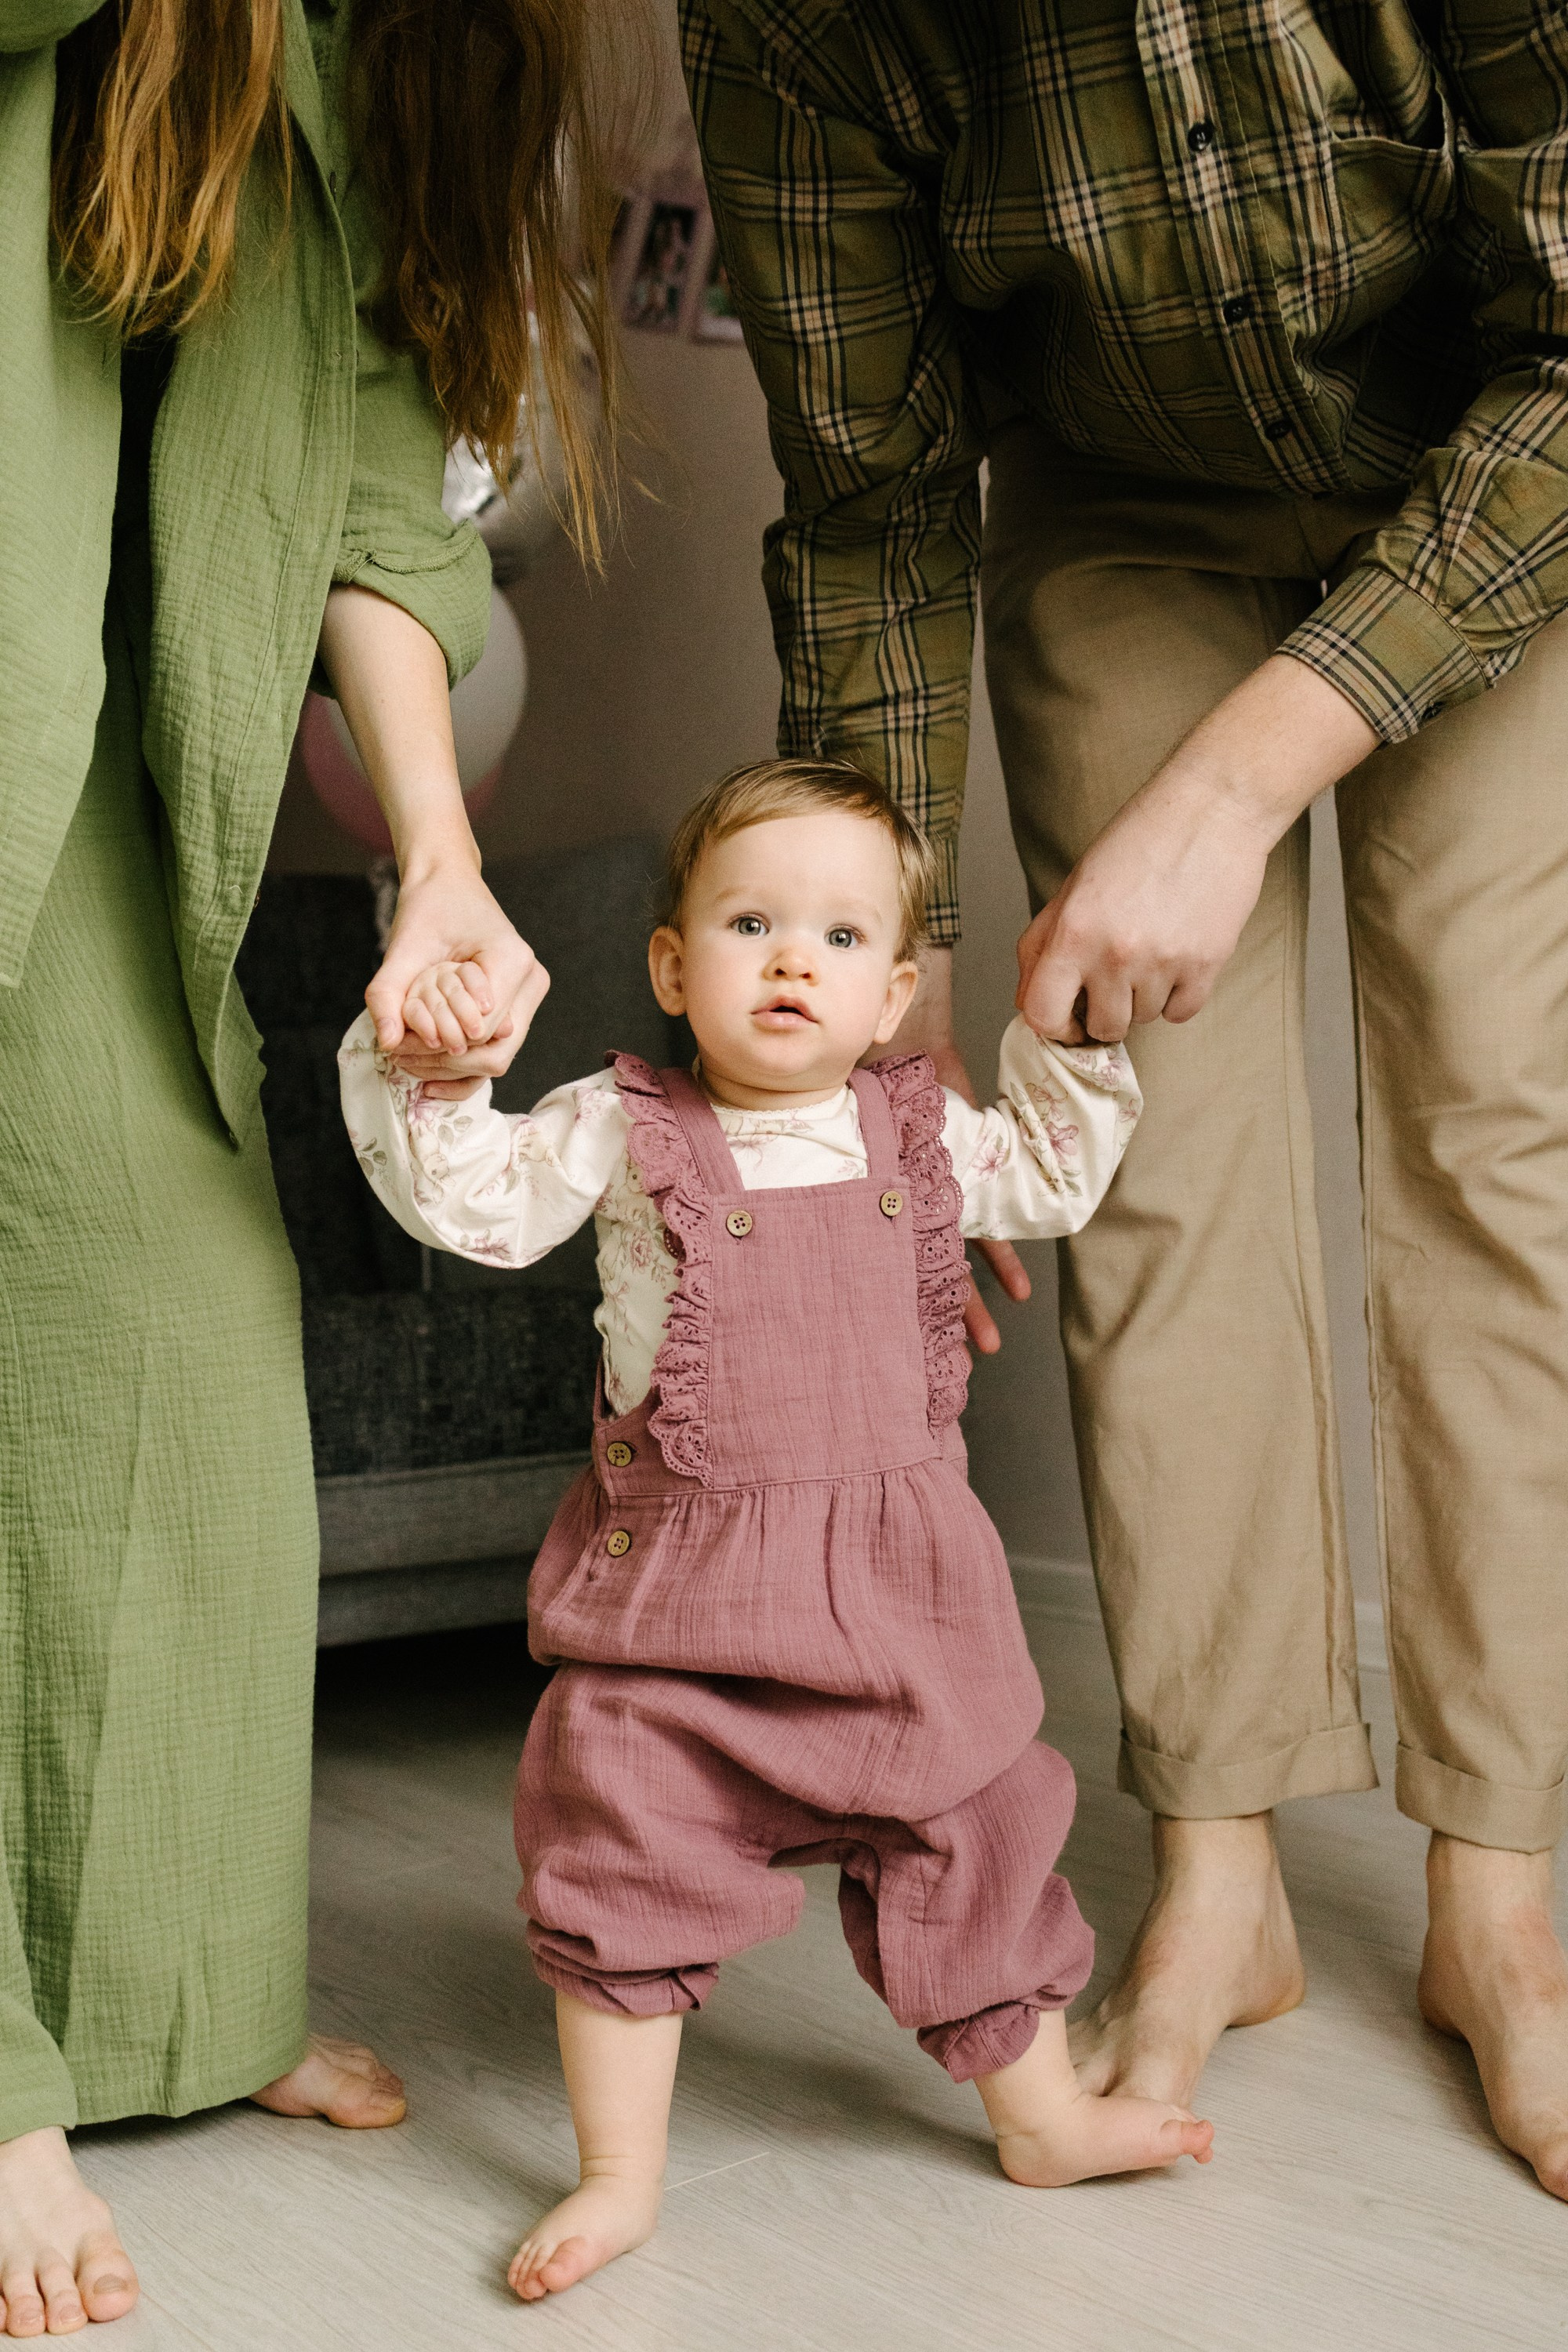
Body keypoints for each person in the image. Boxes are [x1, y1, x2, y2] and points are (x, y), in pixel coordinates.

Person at [678, 3, 1568, 2200]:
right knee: (1144, 1151)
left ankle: (1503, 1901)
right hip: (1128, 498)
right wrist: (892, 964)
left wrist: (1245, 776)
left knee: (1493, 1119)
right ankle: (1227, 1872)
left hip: (1502, 447)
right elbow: (878, 486)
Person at [0, 0, 630, 2330]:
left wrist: (436, 866)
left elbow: (371, 473)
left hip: (73, 760)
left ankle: (171, 1992)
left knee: (174, 1296)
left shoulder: (393, 55)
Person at [339, 759, 1206, 2301]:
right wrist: (433, 1072)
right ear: (674, 966)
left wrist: (1067, 1031)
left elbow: (1062, 1174)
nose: (793, 958)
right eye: (748, 923)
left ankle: (1043, 2113)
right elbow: (470, 1200)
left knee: (975, 1836)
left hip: (901, 1605)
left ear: (893, 997)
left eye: (840, 937)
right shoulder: (621, 1126)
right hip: (677, 1615)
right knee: (620, 1836)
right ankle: (620, 2173)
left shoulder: (929, 1140)